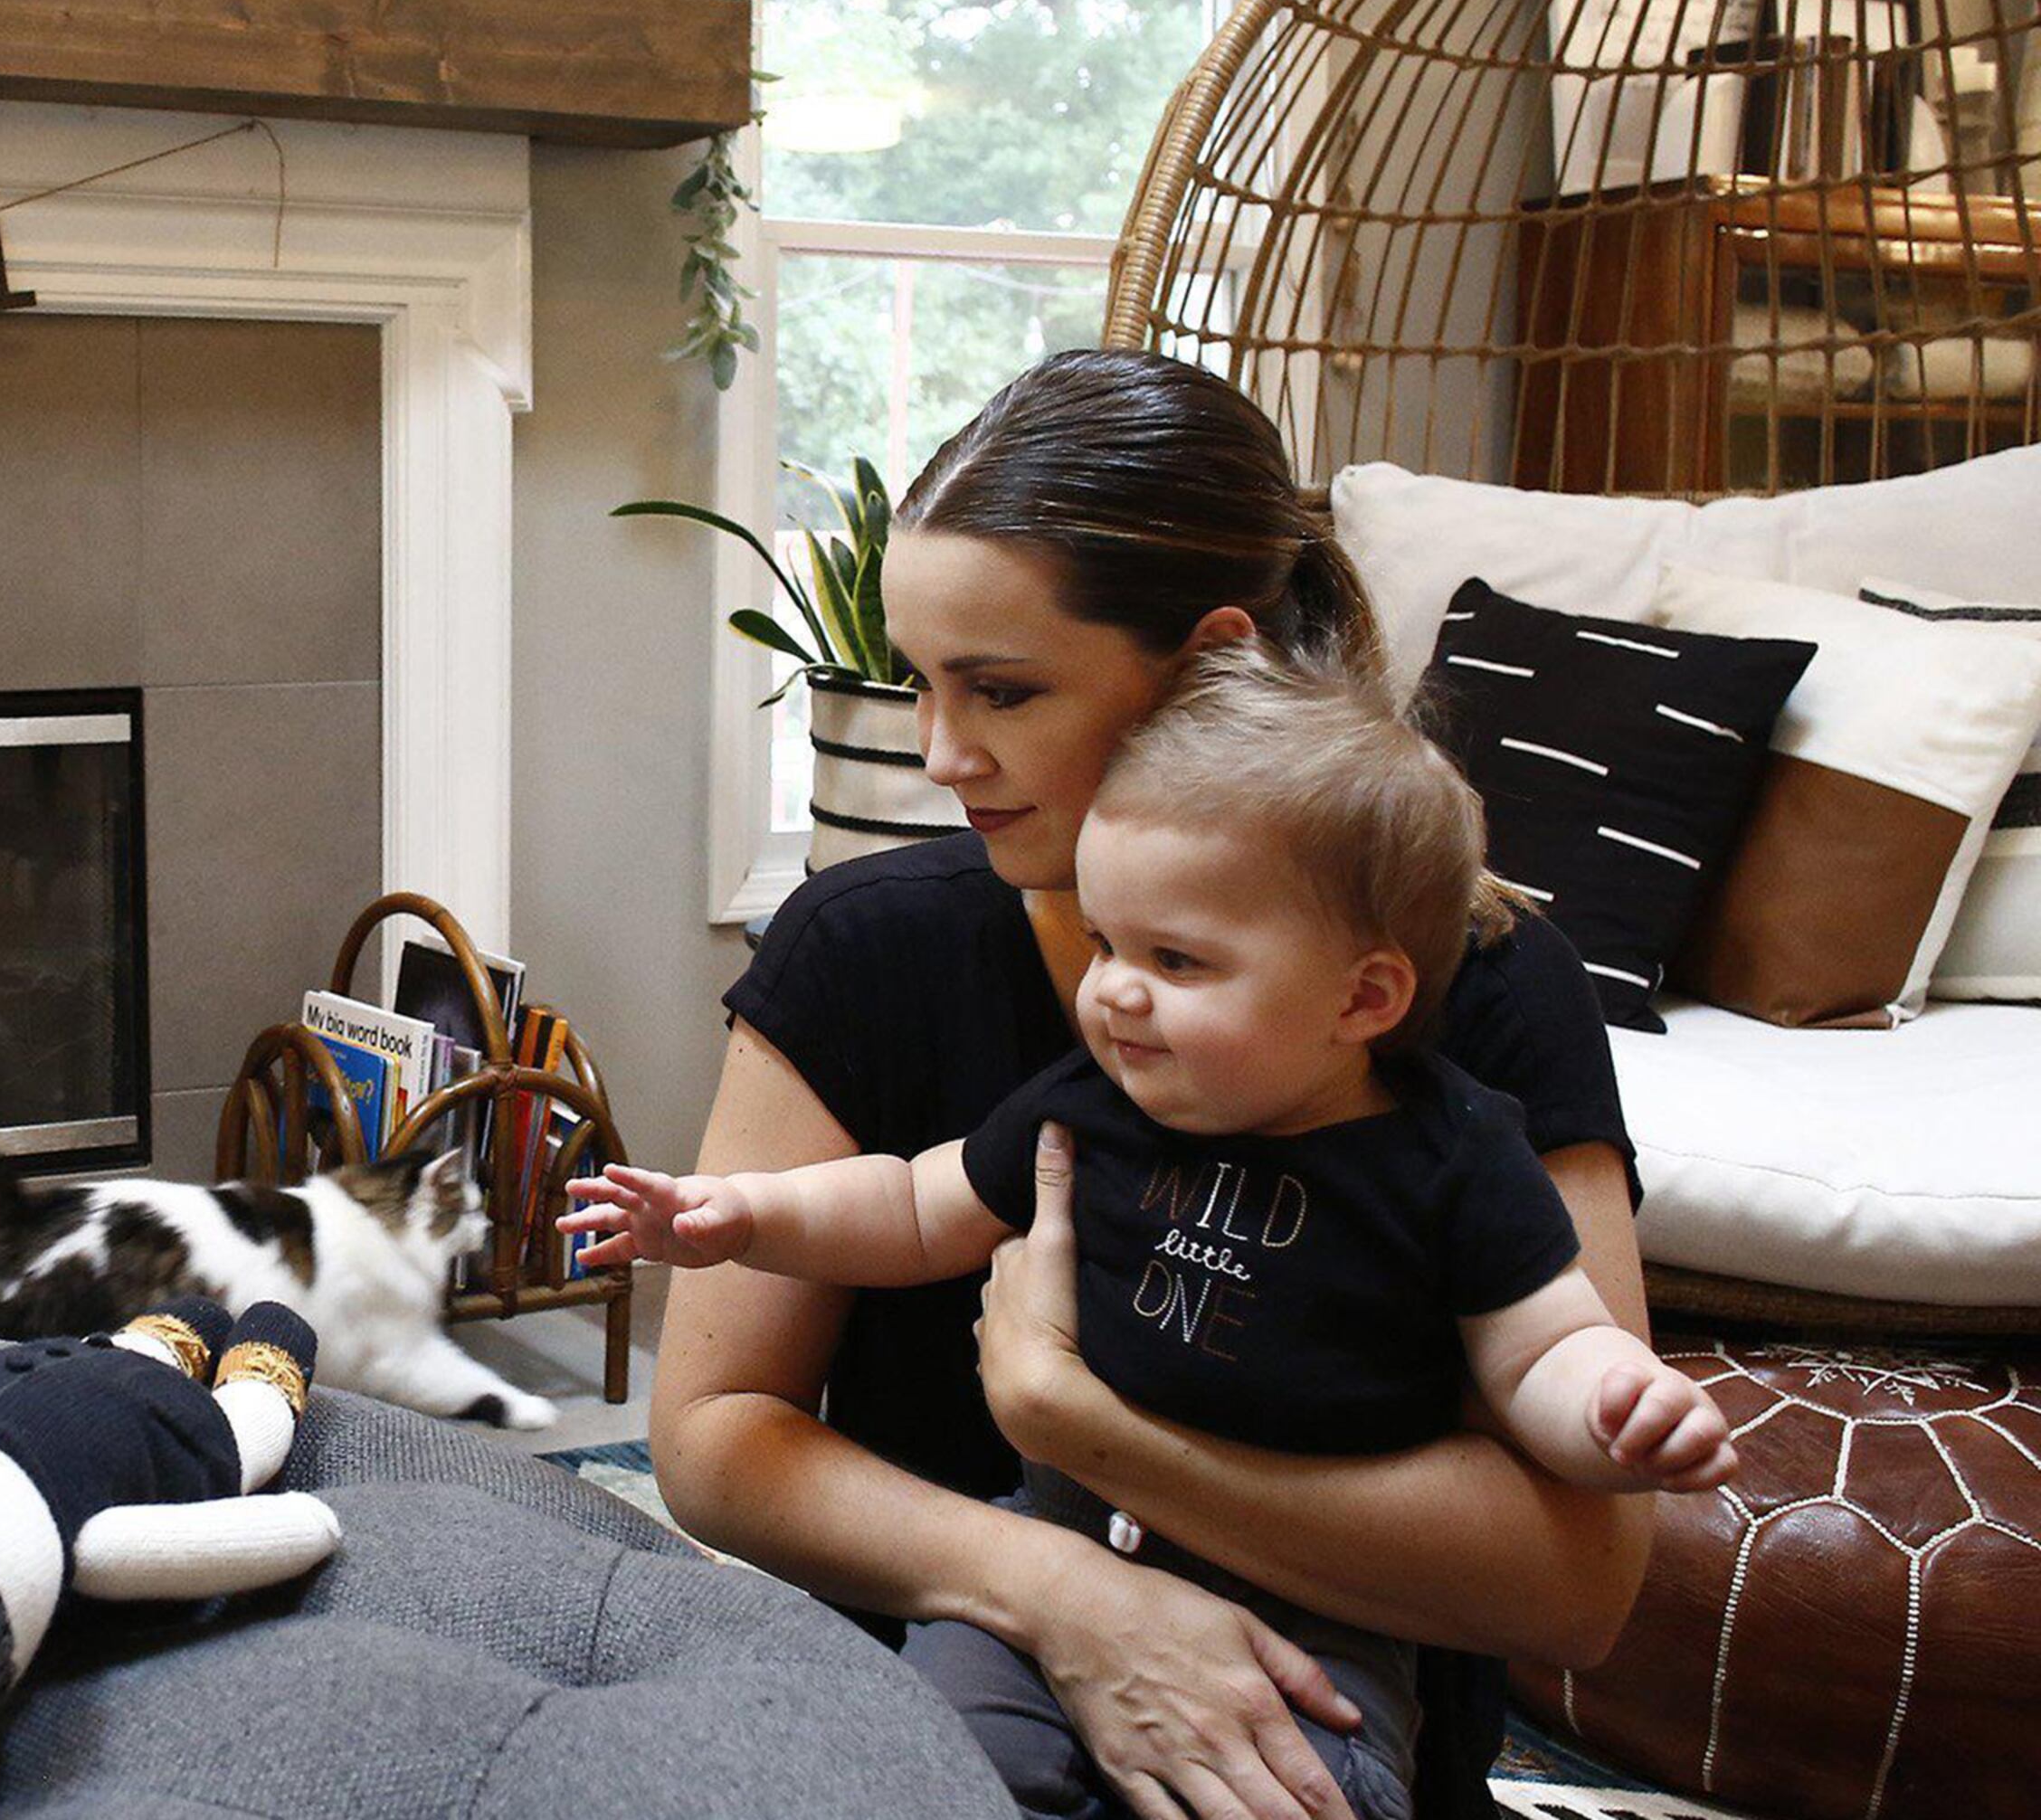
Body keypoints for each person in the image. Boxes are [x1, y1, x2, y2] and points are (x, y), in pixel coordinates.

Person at [654, 349, 1656, 1820]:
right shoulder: (862, 949)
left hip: (1312, 1749)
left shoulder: (1481, 982)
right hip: (930, 1732)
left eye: (1001, 690)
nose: (941, 754)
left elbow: (1581, 1583)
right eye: (920, 683)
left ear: (1206, 659)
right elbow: (712, 1436)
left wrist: (1080, 1429)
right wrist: (1067, 1592)